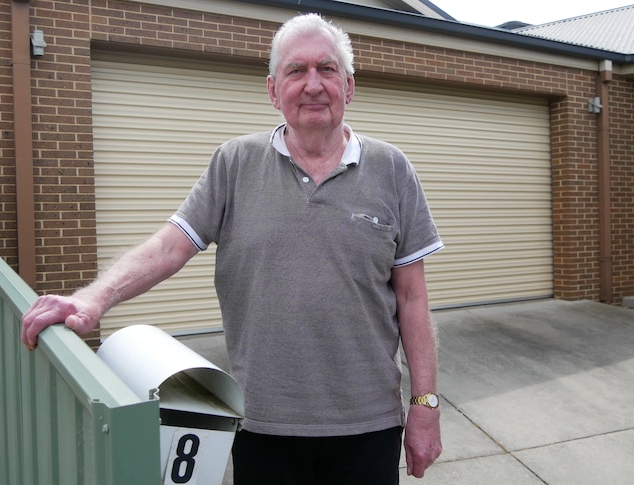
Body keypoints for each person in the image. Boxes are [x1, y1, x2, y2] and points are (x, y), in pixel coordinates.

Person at [22, 13, 443, 483]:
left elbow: (412, 298)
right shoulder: (234, 164)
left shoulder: (392, 169)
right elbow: (168, 247)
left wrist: (425, 405)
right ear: (272, 90)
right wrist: (92, 298)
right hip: (263, 425)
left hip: (368, 426)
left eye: (327, 69)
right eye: (295, 71)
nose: (313, 85)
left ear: (349, 86)